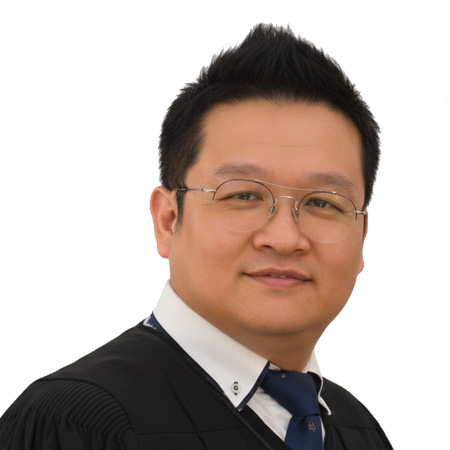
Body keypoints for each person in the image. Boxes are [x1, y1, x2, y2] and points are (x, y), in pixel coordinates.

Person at [0, 24, 393, 450]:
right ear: (168, 220)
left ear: (361, 237)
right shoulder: (75, 424)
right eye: (243, 195)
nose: (284, 238)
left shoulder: (358, 431)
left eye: (323, 202)